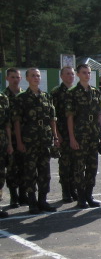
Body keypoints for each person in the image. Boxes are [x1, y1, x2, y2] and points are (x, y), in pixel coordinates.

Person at [12, 68, 60, 214]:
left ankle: (42, 201)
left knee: (45, 172)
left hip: (44, 140)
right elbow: (17, 122)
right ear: (27, 78)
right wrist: (19, 142)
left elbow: (52, 119)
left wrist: (55, 137)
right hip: (29, 140)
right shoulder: (21, 98)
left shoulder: (46, 96)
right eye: (33, 76)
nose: (36, 78)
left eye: (38, 76)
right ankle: (32, 202)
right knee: (30, 172)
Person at [67, 64, 101, 209]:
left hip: (93, 135)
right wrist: (72, 138)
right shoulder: (72, 92)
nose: (87, 75)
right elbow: (70, 117)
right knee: (79, 168)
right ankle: (81, 198)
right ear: (78, 74)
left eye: (89, 73)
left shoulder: (95, 92)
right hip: (79, 135)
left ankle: (89, 196)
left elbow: (98, 115)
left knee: (92, 167)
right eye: (84, 73)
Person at [50, 66, 77, 203]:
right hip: (63, 133)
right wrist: (57, 134)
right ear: (61, 76)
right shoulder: (56, 92)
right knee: (65, 163)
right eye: (67, 74)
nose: (70, 76)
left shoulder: (77, 91)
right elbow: (53, 116)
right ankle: (66, 191)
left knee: (76, 163)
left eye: (72, 74)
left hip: (77, 134)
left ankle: (74, 189)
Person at [3, 68, 26, 208]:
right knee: (12, 168)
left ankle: (23, 195)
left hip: (27, 137)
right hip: (9, 138)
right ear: (7, 79)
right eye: (12, 77)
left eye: (17, 77)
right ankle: (14, 197)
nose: (15, 79)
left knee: (26, 168)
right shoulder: (3, 96)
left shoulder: (25, 95)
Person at [0, 86, 13, 218]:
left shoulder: (3, 98)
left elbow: (7, 123)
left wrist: (9, 143)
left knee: (0, 175)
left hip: (2, 141)